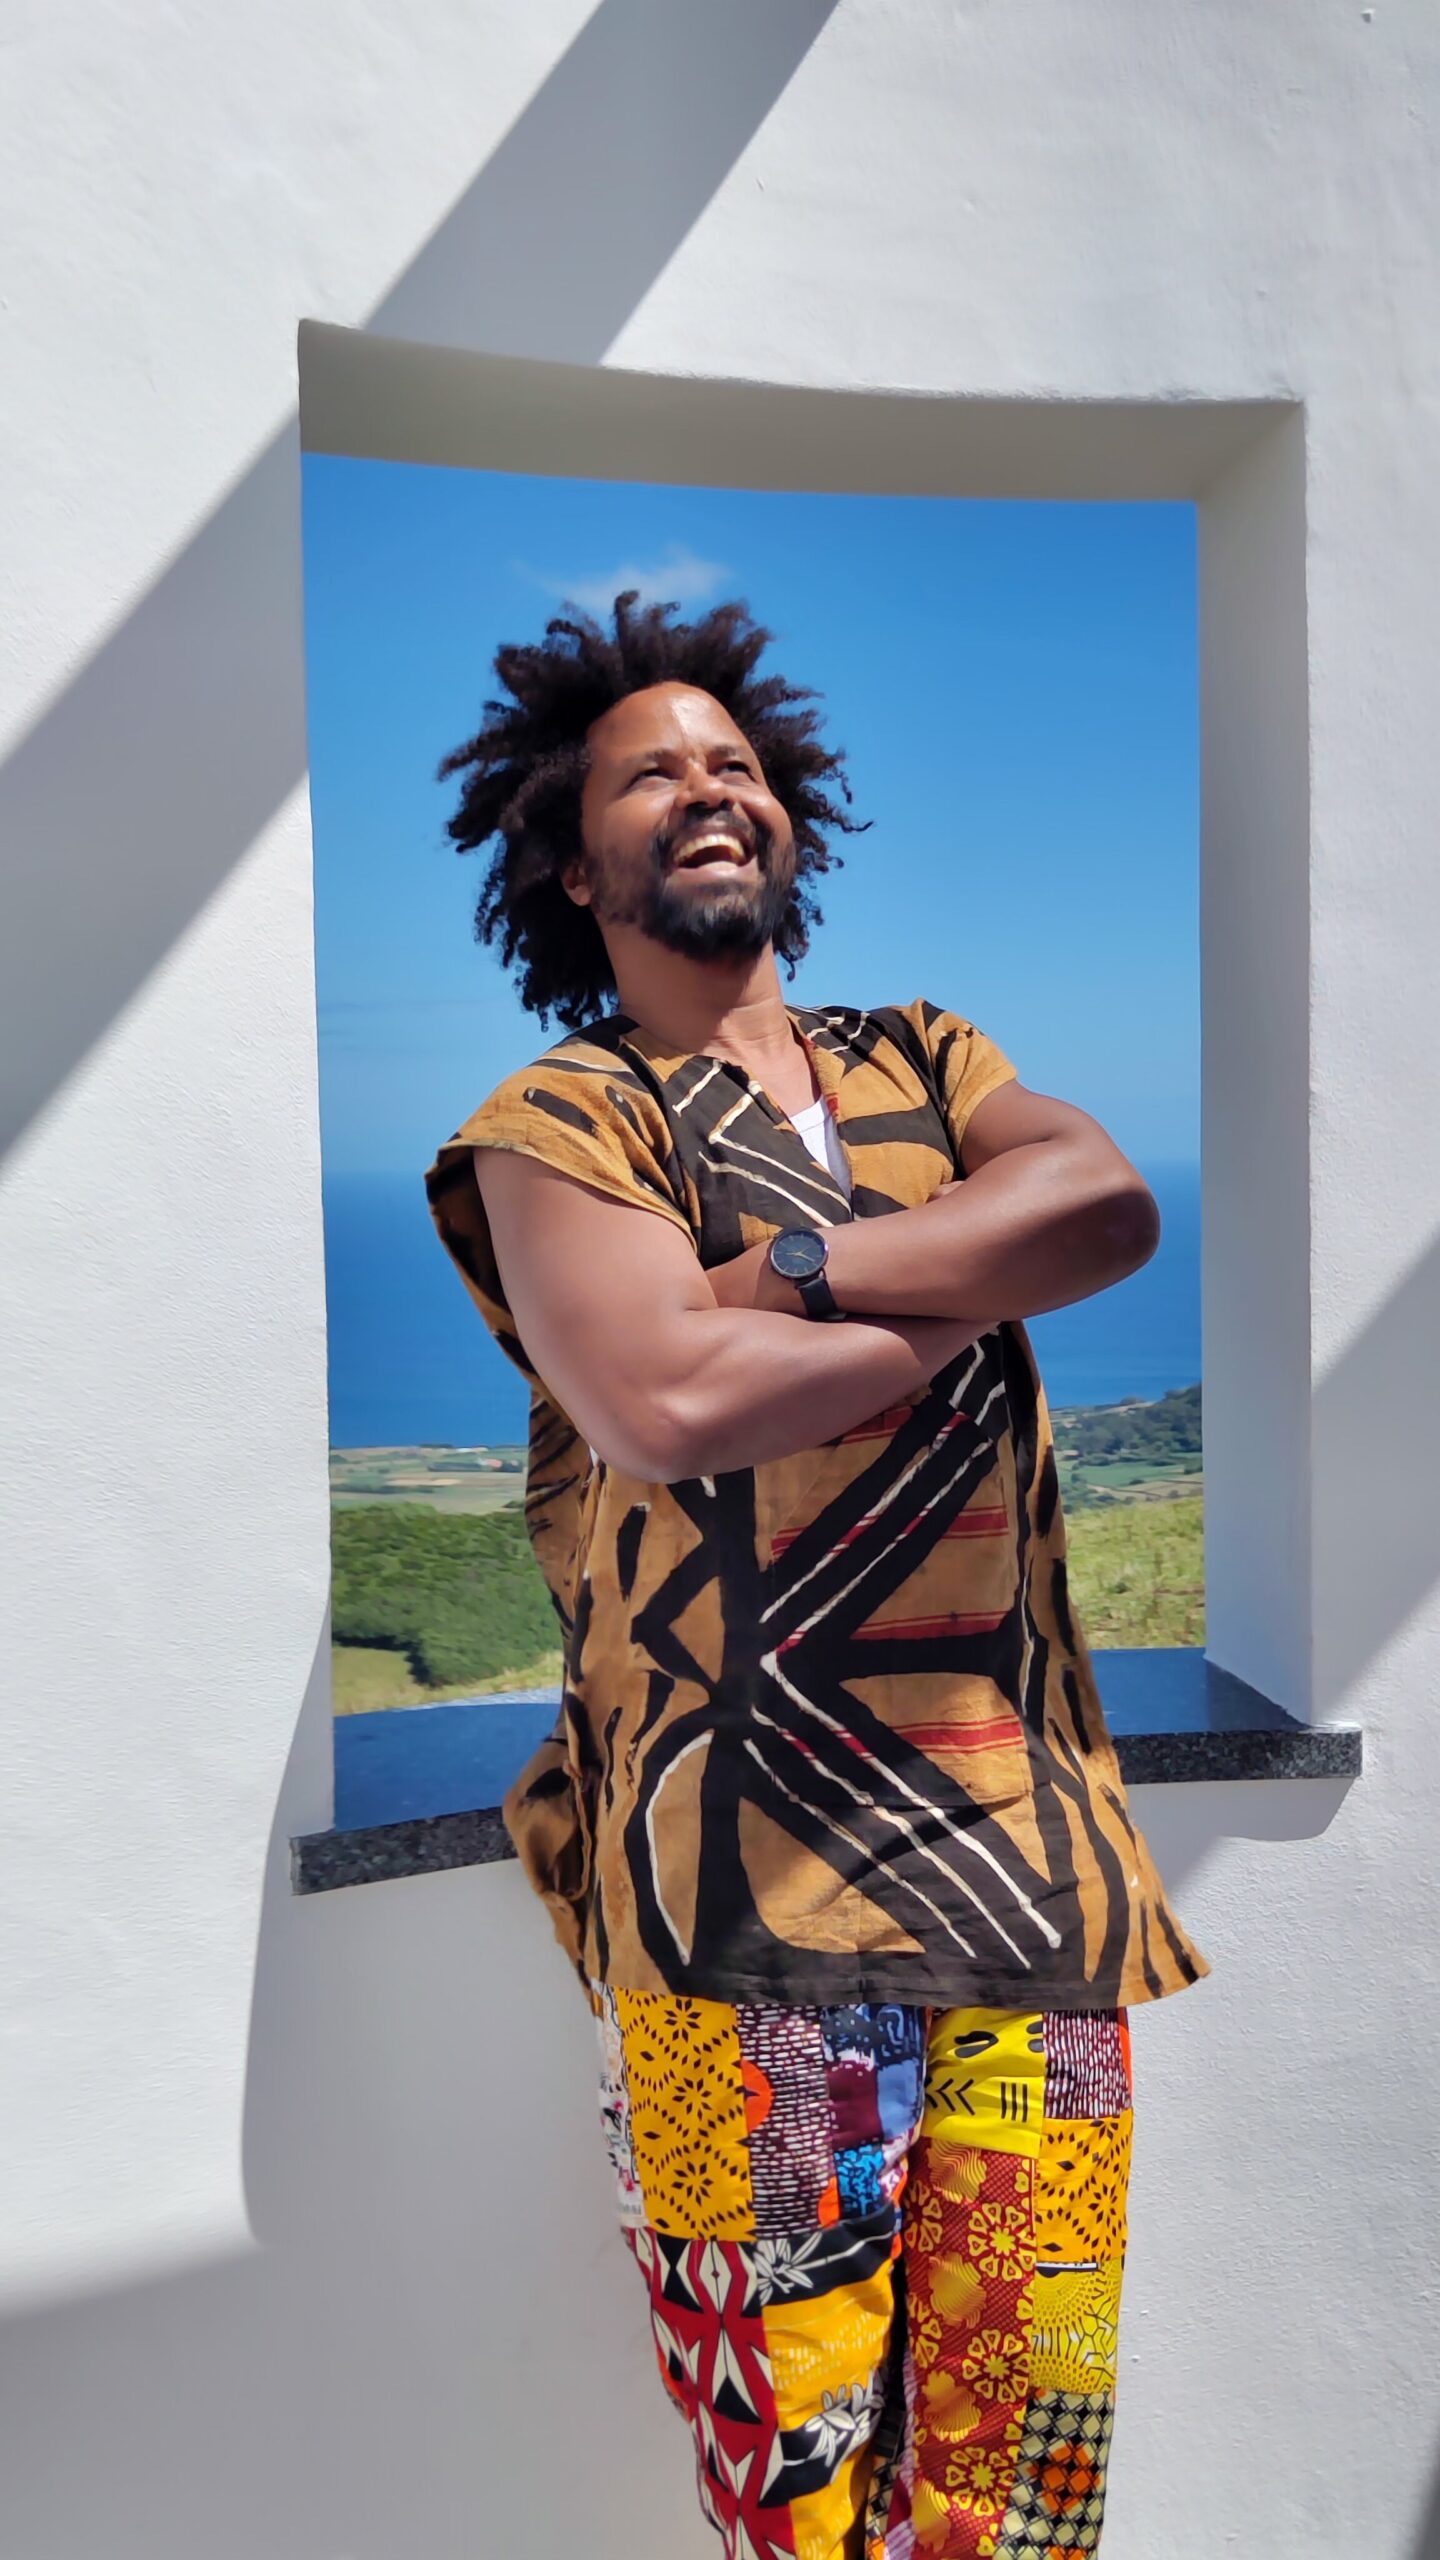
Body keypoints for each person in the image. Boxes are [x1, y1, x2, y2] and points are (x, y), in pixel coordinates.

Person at [426, 592, 1207, 2559]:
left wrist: (786, 1271)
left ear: (791, 820)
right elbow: (665, 1405)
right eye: (650, 773)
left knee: (1027, 2493)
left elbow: (1105, 1204)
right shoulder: (559, 1121)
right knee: (795, 2505)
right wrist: (974, 1281)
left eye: (736, 762)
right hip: (723, 1923)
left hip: (1031, 1885)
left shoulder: (928, 1052)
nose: (709, 787)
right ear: (571, 859)